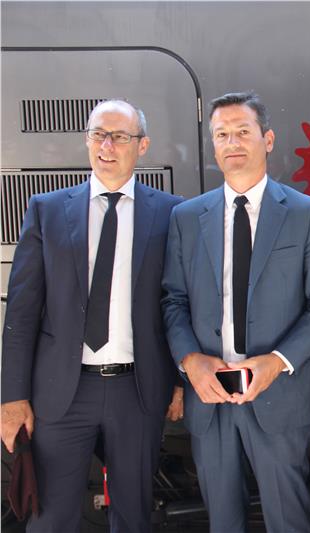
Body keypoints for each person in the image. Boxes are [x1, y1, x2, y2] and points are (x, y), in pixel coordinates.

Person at [161, 91, 310, 533]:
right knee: (223, 522)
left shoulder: (305, 213)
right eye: (222, 134)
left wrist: (277, 362)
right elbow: (173, 300)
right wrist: (190, 361)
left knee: (288, 520)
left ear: (268, 139)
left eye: (243, 131)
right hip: (210, 396)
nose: (232, 142)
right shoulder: (186, 217)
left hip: (278, 395)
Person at [1, 100, 183, 532]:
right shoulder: (47, 210)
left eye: (119, 136)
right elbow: (21, 312)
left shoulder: (172, 212)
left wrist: (179, 382)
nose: (107, 146)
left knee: (134, 515)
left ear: (142, 145)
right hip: (61, 391)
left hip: (138, 390)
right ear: (87, 141)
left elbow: (179, 304)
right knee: (49, 518)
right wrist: (11, 397)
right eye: (98, 134)